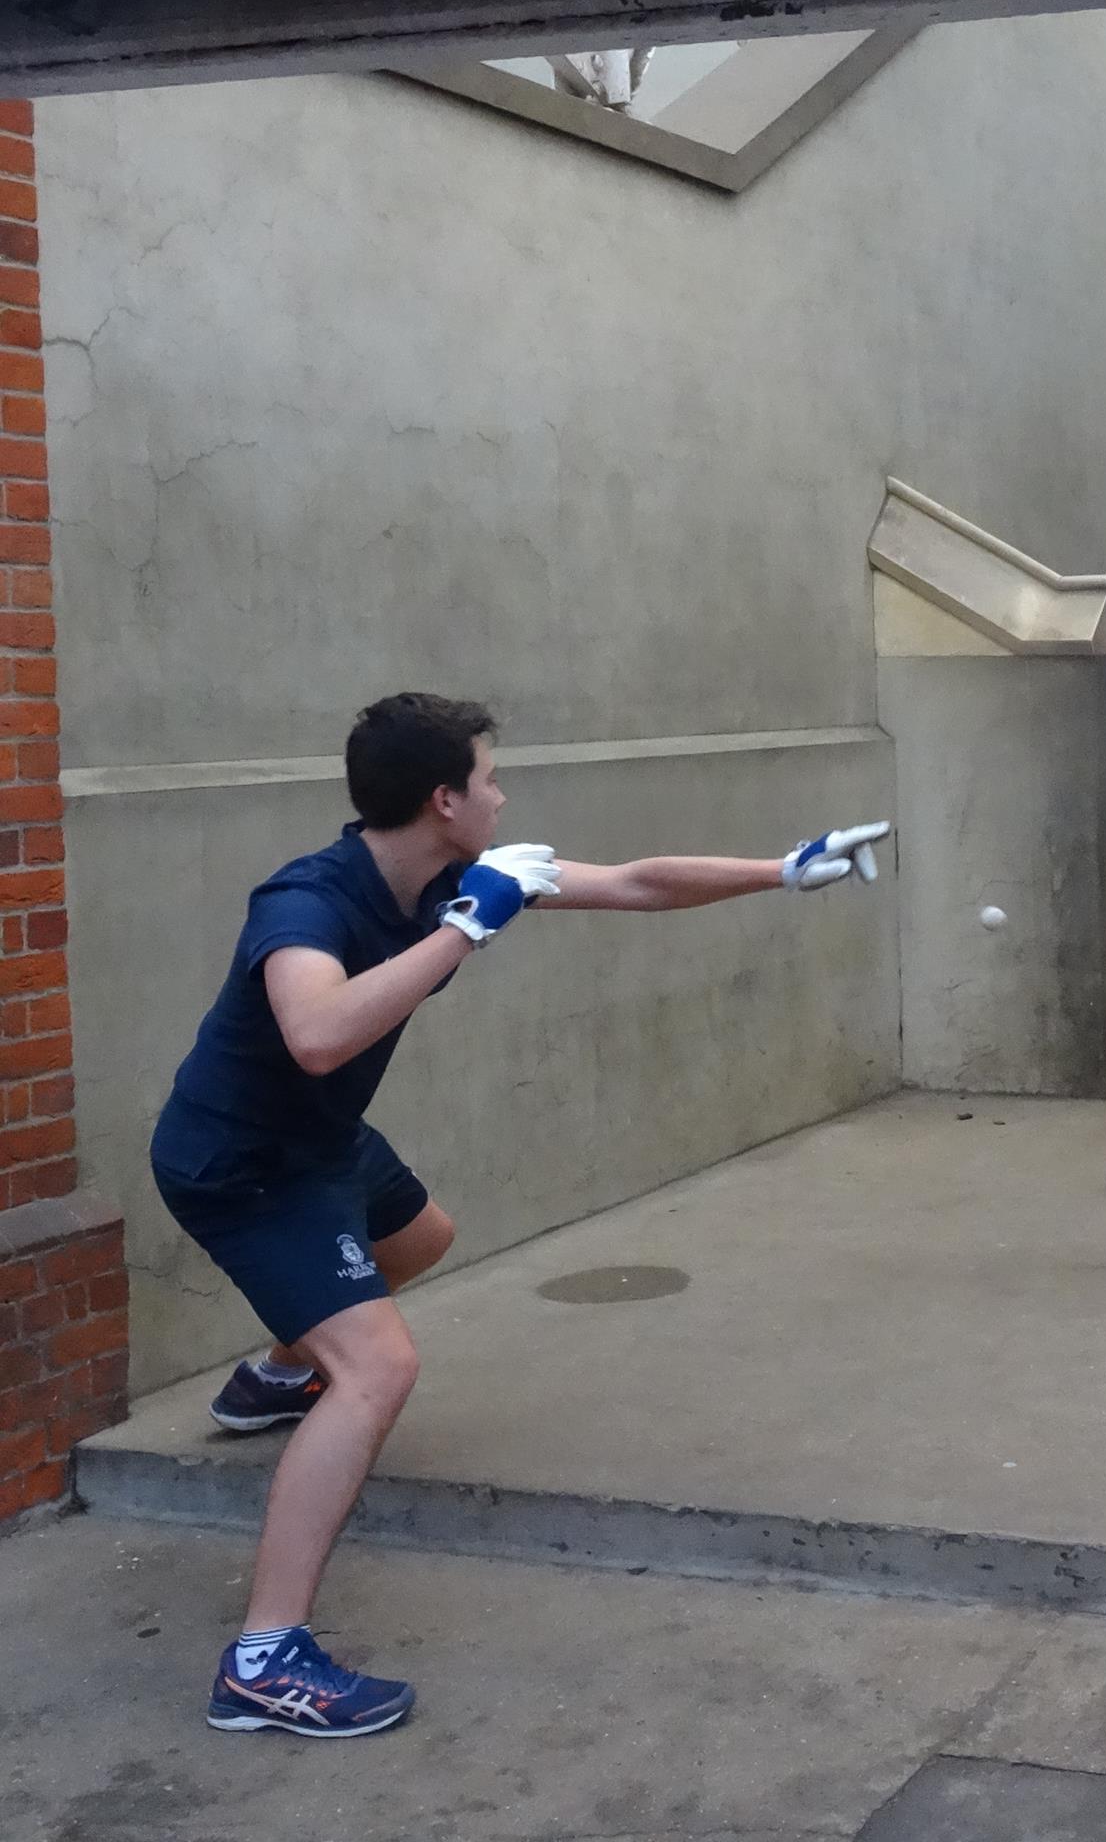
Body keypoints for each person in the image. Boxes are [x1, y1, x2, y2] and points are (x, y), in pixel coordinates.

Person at [157, 692, 889, 1736]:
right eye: (490, 778)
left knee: (422, 1239)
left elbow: (635, 884)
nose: (504, 795)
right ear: (444, 799)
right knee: (380, 1368)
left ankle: (276, 1375)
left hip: (319, 1146)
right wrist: (464, 932)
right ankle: (263, 1661)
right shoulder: (306, 903)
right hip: (241, 1163)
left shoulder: (456, 873)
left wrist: (782, 868)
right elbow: (316, 1033)